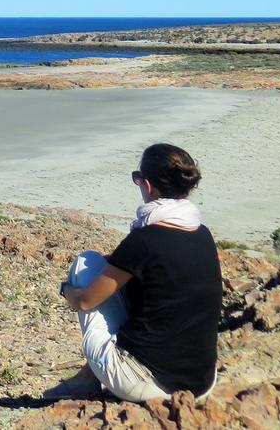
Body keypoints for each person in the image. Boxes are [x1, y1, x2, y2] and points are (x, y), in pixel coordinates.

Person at [44, 143, 222, 402]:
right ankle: (87, 376)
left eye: (137, 179)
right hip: (202, 384)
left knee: (86, 263)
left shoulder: (145, 240)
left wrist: (66, 290)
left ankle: (89, 379)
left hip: (147, 383)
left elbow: (85, 300)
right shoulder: (202, 233)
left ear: (147, 185)